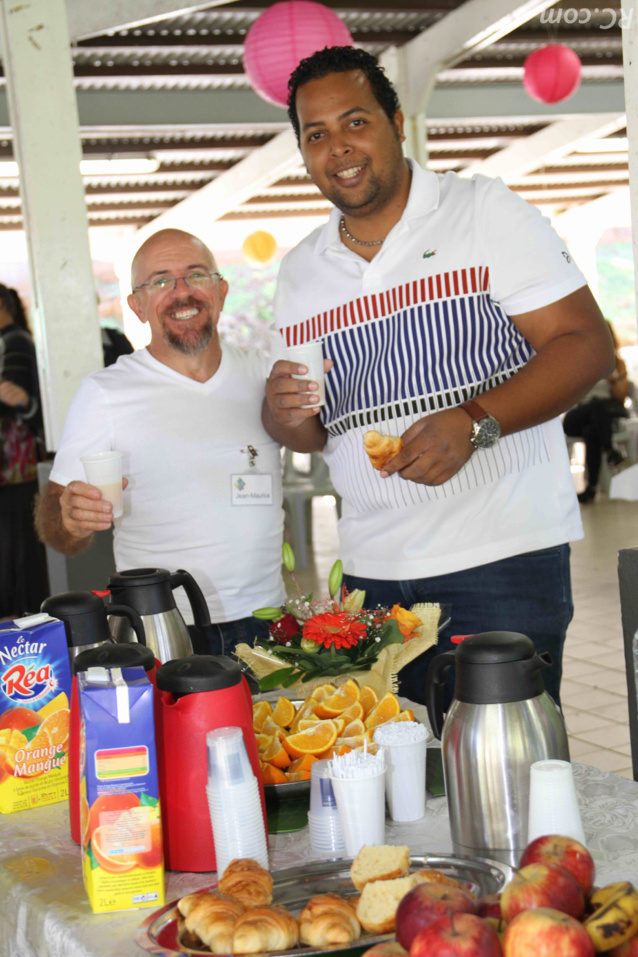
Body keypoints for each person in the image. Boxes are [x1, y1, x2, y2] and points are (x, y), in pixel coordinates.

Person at [263, 46, 614, 707]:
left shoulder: (483, 211)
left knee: (505, 779)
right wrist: (283, 413)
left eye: (355, 122)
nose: (338, 148)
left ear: (397, 122)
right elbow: (312, 428)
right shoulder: (301, 270)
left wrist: (475, 423)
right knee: (405, 789)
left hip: (501, 557)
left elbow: (586, 345)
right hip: (371, 574)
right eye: (316, 135)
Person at [35, 228, 285, 654]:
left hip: (270, 622)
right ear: (137, 305)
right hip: (163, 627)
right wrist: (72, 517)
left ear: (221, 290)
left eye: (195, 275)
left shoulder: (265, 376)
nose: (181, 293)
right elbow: (56, 528)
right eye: (161, 281)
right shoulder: (106, 393)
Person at [0, 284, 49, 618]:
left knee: (16, 550)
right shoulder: (17, 339)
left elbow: (13, 396)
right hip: (17, 465)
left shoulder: (13, 341)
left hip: (13, 463)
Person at [563, 321, 631, 504]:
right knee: (594, 405)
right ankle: (610, 450)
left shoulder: (617, 364)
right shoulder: (577, 362)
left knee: (591, 431)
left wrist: (614, 377)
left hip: (602, 417)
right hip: (578, 414)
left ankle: (591, 488)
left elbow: (621, 396)